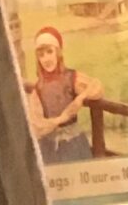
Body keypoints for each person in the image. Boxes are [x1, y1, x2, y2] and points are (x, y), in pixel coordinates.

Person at [24, 26, 101, 165]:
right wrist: (60, 119)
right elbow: (36, 124)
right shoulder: (39, 88)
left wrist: (80, 98)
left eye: (49, 52)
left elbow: (96, 87)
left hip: (74, 143)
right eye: (41, 55)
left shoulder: (71, 77)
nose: (46, 59)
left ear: (58, 53)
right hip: (49, 146)